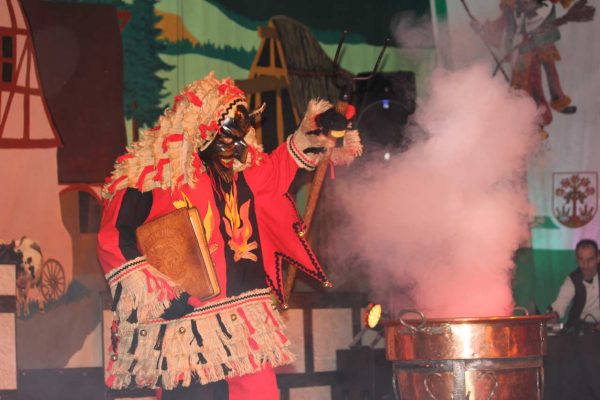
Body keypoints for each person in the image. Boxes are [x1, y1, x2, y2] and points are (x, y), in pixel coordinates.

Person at [96, 72, 361, 399]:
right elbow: (113, 239)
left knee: (260, 393)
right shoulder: (153, 179)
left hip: (242, 328)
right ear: (201, 131)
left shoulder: (242, 177)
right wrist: (158, 295)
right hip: (185, 329)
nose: (238, 148)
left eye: (241, 139)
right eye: (227, 139)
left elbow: (282, 163)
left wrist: (320, 130)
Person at [548, 239, 600, 331]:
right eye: (581, 259)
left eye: (590, 259)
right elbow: (560, 305)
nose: (585, 265)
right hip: (581, 329)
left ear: (598, 258)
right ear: (576, 259)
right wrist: (552, 316)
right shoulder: (572, 280)